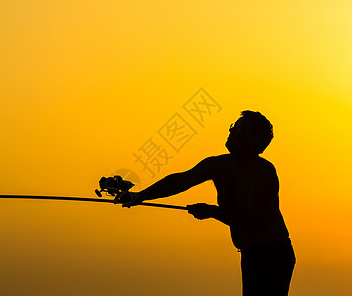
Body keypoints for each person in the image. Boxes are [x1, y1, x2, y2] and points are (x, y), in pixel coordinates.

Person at [121, 110, 295, 296]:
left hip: (273, 254)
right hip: (250, 253)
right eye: (232, 126)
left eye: (239, 128)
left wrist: (212, 212)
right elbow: (180, 181)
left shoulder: (263, 172)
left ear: (253, 140)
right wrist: (140, 196)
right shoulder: (217, 165)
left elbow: (254, 220)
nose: (231, 131)